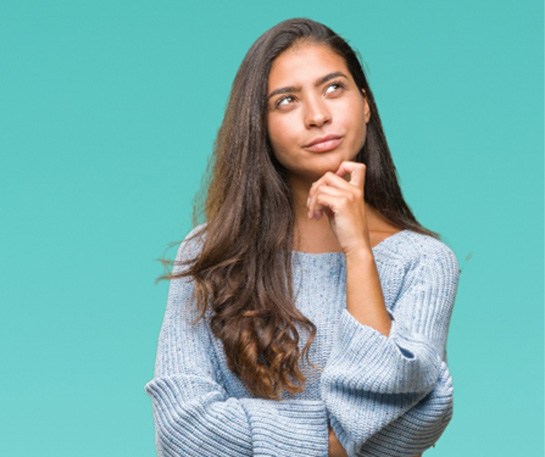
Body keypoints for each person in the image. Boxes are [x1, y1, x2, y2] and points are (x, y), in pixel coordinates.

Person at [145, 17, 459, 457]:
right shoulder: (209, 252)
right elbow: (185, 430)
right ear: (261, 126)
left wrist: (357, 251)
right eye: (287, 101)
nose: (318, 116)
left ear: (365, 104)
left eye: (334, 88)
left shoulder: (423, 262)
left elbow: (400, 421)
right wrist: (336, 441)